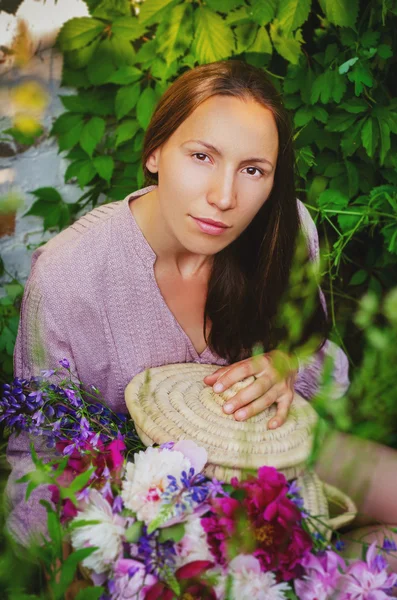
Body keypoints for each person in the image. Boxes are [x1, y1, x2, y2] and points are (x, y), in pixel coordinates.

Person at [6, 60, 395, 565]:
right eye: (202, 156)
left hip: (274, 453)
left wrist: (287, 365)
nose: (224, 197)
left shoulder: (285, 230)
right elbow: (40, 452)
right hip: (146, 508)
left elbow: (319, 360)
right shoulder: (68, 276)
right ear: (155, 152)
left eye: (253, 169)